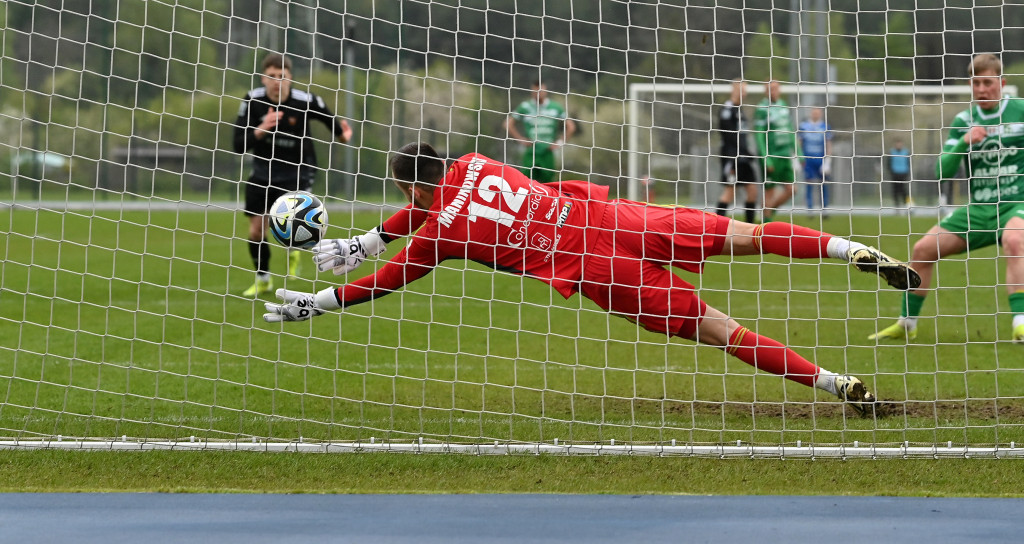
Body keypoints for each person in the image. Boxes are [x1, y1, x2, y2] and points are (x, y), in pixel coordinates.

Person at [264, 142, 922, 416]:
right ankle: (848, 248)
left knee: (721, 330)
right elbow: (434, 201)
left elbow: (385, 281)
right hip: (615, 216)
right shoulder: (474, 161)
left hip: (598, 269)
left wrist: (320, 301)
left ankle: (836, 384)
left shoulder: (441, 234)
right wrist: (374, 236)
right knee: (745, 235)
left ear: (411, 187)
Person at [870, 54, 1024, 343]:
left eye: (988, 82)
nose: (981, 89)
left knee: (1015, 241)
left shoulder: (1020, 111)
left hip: (1017, 204)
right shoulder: (964, 120)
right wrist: (964, 142)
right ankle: (907, 323)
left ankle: (1020, 324)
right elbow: (942, 171)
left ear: (1002, 83)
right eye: (976, 83)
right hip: (979, 208)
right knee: (923, 249)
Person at [233, 52, 353, 298]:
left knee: (295, 223)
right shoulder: (252, 100)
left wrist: (343, 136)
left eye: (282, 76)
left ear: (290, 78)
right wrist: (262, 128)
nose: (277, 81)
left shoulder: (306, 100)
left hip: (297, 171)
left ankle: (294, 251)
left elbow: (333, 123)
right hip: (262, 172)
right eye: (271, 76)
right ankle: (263, 279)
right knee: (256, 231)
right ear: (263, 78)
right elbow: (237, 144)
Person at [505, 80, 576, 183]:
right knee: (526, 182)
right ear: (531, 92)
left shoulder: (555, 107)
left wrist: (560, 142)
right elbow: (508, 124)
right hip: (531, 150)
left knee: (548, 183)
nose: (538, 94)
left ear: (545, 91)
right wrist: (520, 139)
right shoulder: (525, 107)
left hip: (547, 150)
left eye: (540, 91)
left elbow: (571, 126)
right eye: (535, 91)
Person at [715, 79, 759, 223]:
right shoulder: (727, 108)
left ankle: (749, 228)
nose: (744, 93)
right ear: (734, 90)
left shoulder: (740, 110)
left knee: (752, 190)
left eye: (745, 90)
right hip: (732, 157)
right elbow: (728, 134)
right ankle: (715, 227)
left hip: (743, 157)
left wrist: (746, 152)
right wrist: (745, 151)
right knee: (730, 191)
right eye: (741, 90)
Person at [753, 80, 797, 221]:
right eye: (770, 89)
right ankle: (765, 225)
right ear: (765, 91)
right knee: (770, 193)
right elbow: (759, 135)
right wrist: (766, 158)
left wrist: (799, 153)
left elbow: (790, 130)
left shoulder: (783, 105)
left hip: (785, 155)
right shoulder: (762, 108)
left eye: (776, 88)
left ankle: (767, 215)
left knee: (792, 190)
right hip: (771, 155)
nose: (773, 91)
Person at [798, 107, 834, 213]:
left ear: (821, 114)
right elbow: (799, 142)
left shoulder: (825, 126)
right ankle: (810, 208)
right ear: (811, 113)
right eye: (814, 113)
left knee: (823, 183)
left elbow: (828, 143)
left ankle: (825, 208)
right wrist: (798, 158)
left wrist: (828, 161)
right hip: (808, 159)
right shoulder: (804, 126)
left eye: (817, 113)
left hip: (821, 159)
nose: (815, 114)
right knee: (809, 183)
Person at [887, 138, 911, 208]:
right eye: (897, 144)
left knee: (904, 189)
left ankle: (905, 203)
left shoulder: (906, 152)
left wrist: (907, 172)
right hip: (895, 173)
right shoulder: (891, 152)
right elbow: (888, 163)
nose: (898, 145)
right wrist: (891, 171)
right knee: (895, 189)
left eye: (900, 144)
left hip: (903, 173)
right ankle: (896, 204)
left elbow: (908, 162)